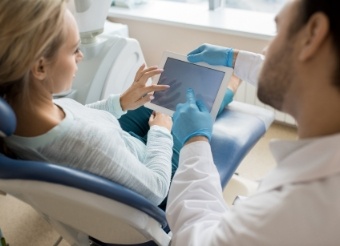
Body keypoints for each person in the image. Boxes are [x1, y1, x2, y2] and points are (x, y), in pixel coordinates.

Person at [166, 0, 340, 245]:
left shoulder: (291, 210)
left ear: (312, 34)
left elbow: (198, 238)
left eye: (277, 32)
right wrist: (234, 58)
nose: (266, 51)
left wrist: (194, 141)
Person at [0, 0, 177, 207]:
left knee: (159, 99)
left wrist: (120, 102)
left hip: (122, 146)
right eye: (74, 49)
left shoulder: (20, 109)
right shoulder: (88, 144)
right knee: (198, 106)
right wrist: (160, 133)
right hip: (155, 174)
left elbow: (77, 117)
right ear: (40, 67)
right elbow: (156, 189)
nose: (80, 56)